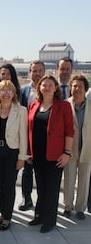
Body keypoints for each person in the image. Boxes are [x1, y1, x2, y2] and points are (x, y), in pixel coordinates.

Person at [27, 75, 74, 233]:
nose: (46, 88)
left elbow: (70, 131)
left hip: (55, 155)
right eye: (43, 85)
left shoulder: (64, 106)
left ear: (55, 88)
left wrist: (67, 152)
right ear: (39, 87)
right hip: (38, 154)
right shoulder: (34, 105)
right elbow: (29, 130)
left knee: (52, 188)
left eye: (50, 85)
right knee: (40, 187)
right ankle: (39, 215)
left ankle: (49, 220)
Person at [0, 80, 28, 230]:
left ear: (14, 93)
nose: (7, 93)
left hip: (12, 152)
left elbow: (23, 136)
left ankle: (7, 217)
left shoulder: (21, 110)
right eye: (4, 90)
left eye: (10, 91)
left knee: (8, 185)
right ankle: (2, 214)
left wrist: (22, 157)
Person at [0, 63, 20, 212]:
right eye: (2, 74)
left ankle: (7, 210)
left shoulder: (18, 95)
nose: (5, 77)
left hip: (12, 145)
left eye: (8, 74)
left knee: (9, 181)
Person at [18, 60, 45, 211]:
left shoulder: (50, 89)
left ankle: (42, 202)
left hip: (44, 137)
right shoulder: (24, 91)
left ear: (44, 72)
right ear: (30, 73)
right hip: (27, 136)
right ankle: (26, 199)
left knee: (42, 171)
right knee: (27, 170)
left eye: (40, 71)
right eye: (34, 71)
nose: (37, 74)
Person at [63, 75, 91, 220]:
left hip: (87, 149)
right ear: (70, 88)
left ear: (85, 89)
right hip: (70, 150)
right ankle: (67, 207)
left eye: (80, 86)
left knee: (84, 180)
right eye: (74, 86)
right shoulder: (65, 105)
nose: (77, 89)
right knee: (69, 179)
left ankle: (80, 209)